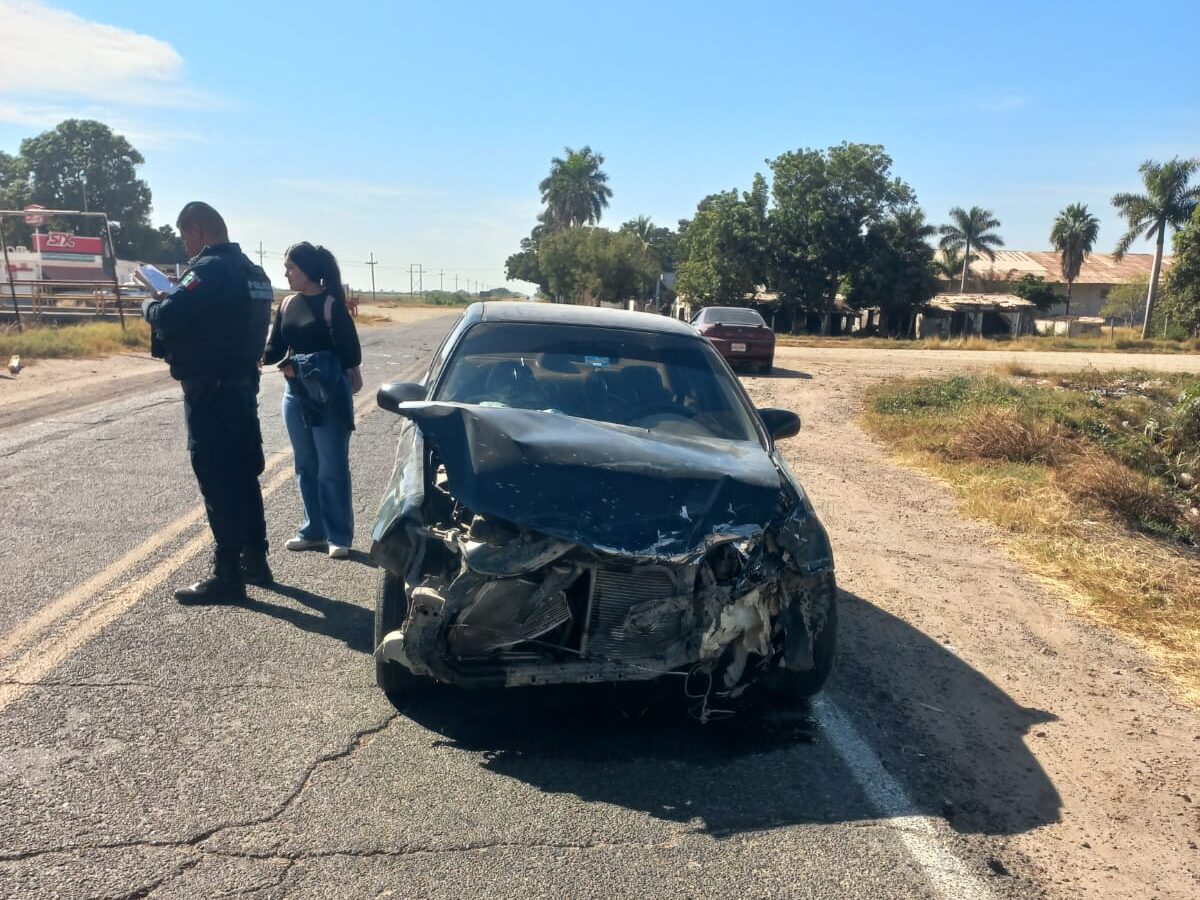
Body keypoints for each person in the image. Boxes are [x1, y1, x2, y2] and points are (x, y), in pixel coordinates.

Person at [142, 202, 274, 602]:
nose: (185, 246)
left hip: (209, 392)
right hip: (242, 388)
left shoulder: (209, 270)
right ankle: (256, 559)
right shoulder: (256, 273)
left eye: (185, 237)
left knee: (217, 480)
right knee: (245, 473)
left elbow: (169, 314)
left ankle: (227, 574)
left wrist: (151, 301)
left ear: (198, 230)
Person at [263, 242, 362, 560]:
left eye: (291, 267)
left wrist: (308, 365)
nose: (286, 273)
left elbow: (350, 353)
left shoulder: (332, 305)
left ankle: (338, 535)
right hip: (295, 394)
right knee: (305, 465)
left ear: (307, 270)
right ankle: (313, 530)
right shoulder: (287, 304)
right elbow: (275, 349)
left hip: (328, 394)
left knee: (331, 467)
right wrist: (249, 354)